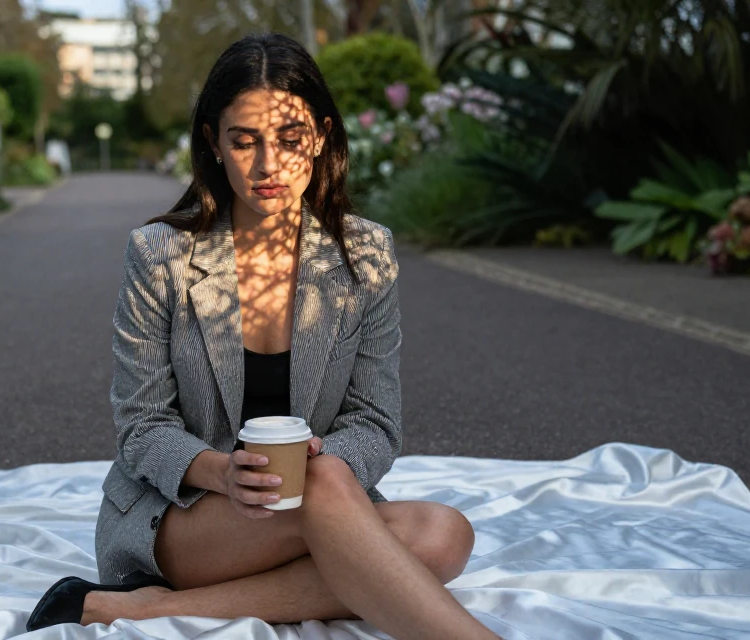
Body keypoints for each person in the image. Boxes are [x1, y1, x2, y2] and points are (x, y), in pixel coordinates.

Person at [27, 33, 497, 640]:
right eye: (244, 141)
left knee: (445, 534)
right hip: (186, 516)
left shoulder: (365, 254)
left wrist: (323, 469)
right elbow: (141, 428)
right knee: (363, 516)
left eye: (290, 139)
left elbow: (376, 423)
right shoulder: (160, 256)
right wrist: (223, 472)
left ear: (322, 136)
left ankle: (140, 608)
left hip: (317, 507)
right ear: (213, 145)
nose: (269, 166)